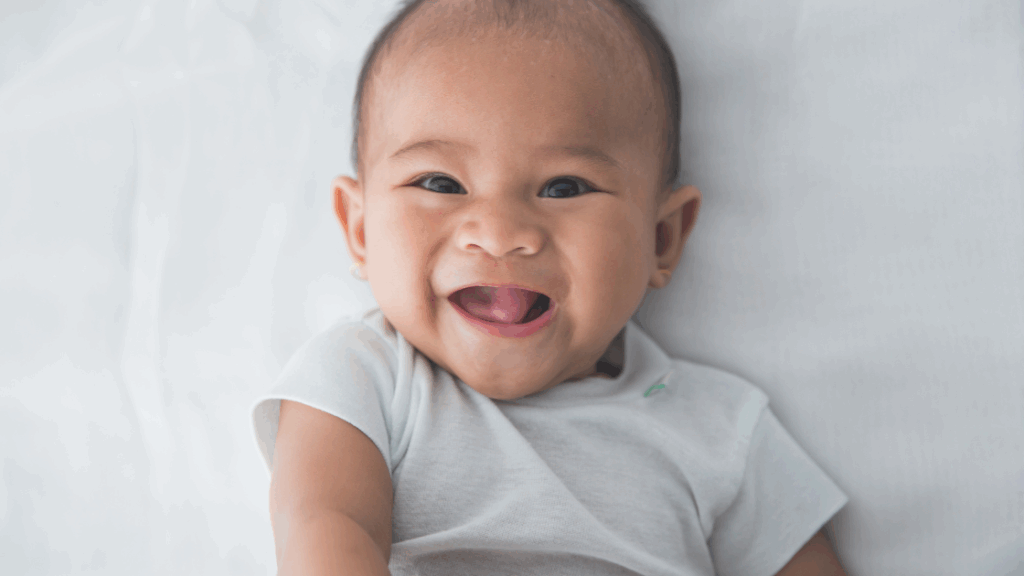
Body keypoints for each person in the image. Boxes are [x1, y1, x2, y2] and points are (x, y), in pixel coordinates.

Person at [251, 0, 849, 574]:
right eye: (439, 181)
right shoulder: (364, 378)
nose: (500, 234)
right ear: (359, 230)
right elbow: (323, 528)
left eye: (563, 187)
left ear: (661, 238)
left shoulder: (723, 429)